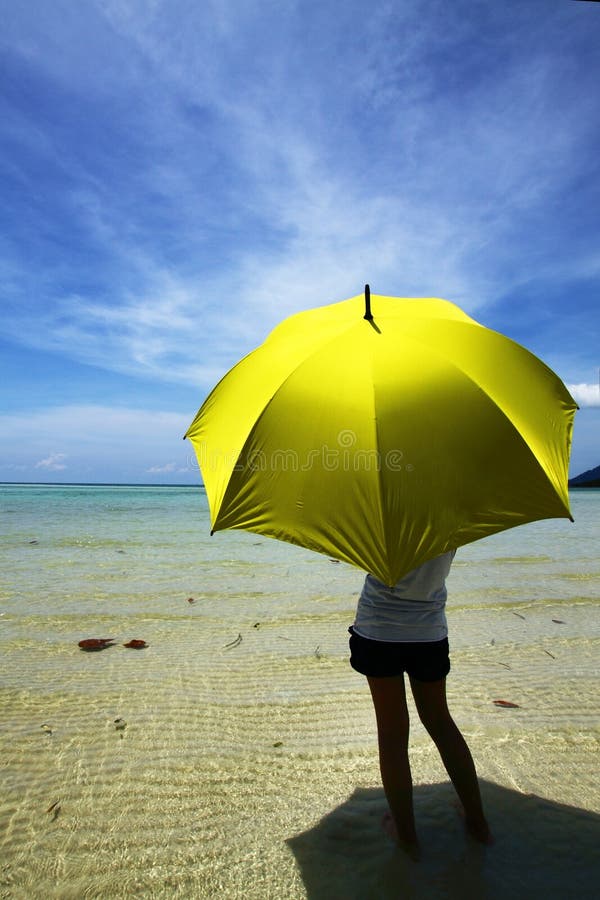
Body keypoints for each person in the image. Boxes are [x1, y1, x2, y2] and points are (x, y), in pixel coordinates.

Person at [349, 550, 492, 859]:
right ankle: (478, 823)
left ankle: (407, 834)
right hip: (428, 633)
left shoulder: (379, 513)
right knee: (441, 723)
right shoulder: (449, 510)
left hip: (378, 631)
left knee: (392, 734)